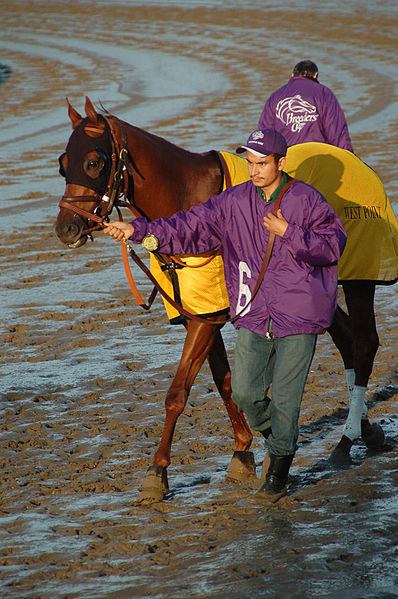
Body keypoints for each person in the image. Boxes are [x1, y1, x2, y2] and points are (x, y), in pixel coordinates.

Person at [103, 128, 347, 502]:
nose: (254, 171)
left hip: (300, 315)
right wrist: (140, 232)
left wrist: (289, 233)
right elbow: (189, 226)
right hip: (252, 313)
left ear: (280, 163)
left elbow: (332, 246)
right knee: (248, 395)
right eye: (249, 163)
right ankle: (279, 439)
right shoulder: (233, 202)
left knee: (285, 400)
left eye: (262, 164)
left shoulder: (306, 200)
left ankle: (278, 473)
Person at [258, 60, 354, 151]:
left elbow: (265, 134)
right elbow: (337, 132)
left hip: (287, 159)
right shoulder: (324, 93)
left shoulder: (275, 96)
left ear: (292, 75)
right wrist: (348, 158)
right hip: (318, 156)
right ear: (315, 75)